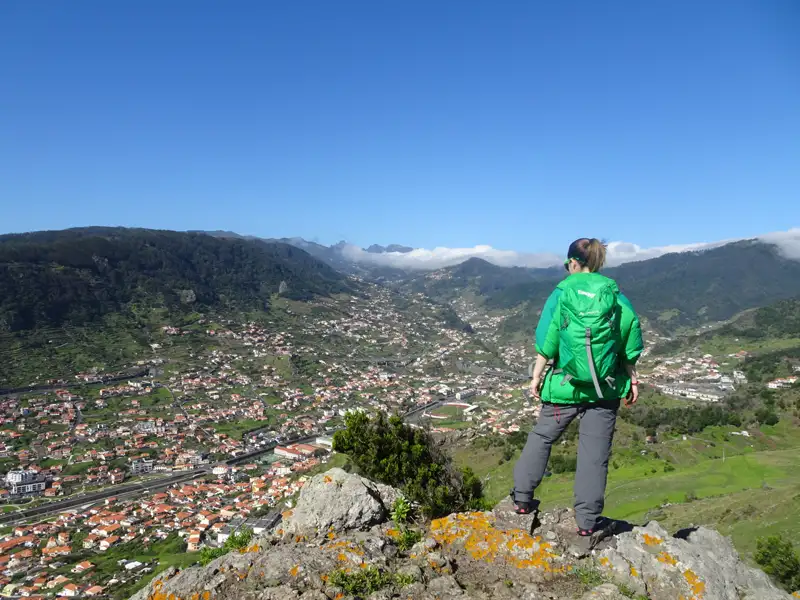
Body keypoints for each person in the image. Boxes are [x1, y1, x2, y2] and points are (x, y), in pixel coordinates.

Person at [511, 238, 643, 537]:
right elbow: (629, 339)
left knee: (543, 437)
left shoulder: (561, 293)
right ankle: (586, 522)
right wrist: (632, 378)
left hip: (563, 387)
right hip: (604, 389)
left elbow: (547, 340)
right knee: (595, 454)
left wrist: (536, 377)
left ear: (572, 262)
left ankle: (521, 499)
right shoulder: (614, 295)